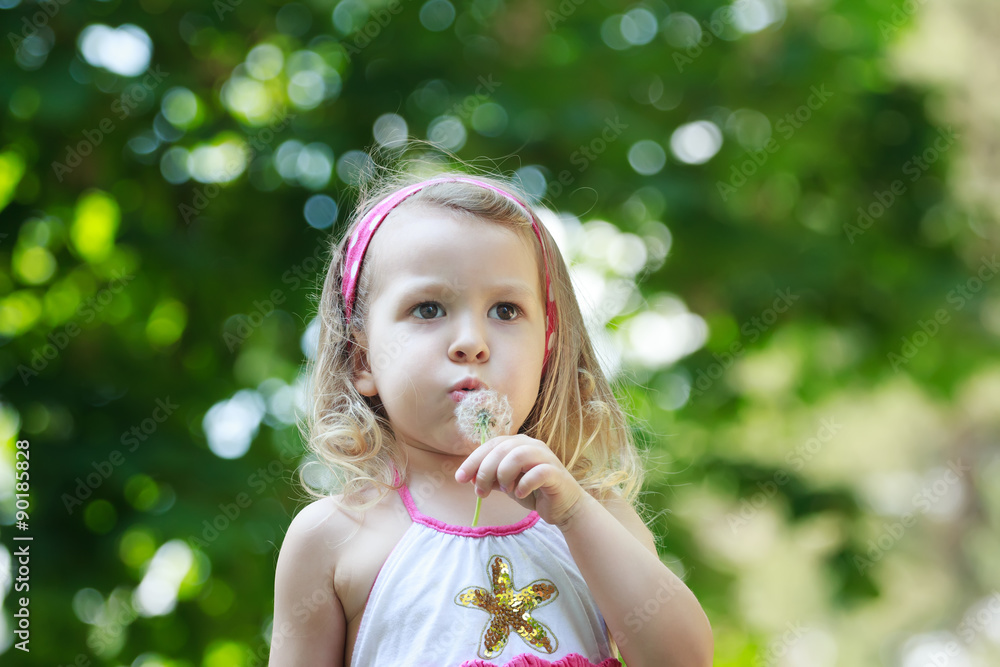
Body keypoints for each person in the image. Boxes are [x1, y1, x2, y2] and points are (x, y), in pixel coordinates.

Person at [268, 164, 713, 667]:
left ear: (546, 351)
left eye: (504, 311)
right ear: (362, 359)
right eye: (429, 309)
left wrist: (573, 515)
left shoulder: (594, 515)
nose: (472, 344)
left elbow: (685, 658)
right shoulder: (334, 536)